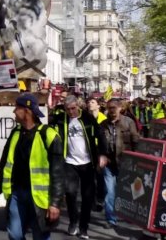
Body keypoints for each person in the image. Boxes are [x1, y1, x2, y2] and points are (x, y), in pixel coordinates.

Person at [0, 93, 64, 240]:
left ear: (27, 111)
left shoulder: (48, 135)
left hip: (39, 198)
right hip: (17, 193)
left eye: (17, 108)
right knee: (15, 234)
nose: (14, 111)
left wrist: (55, 203)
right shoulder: (15, 133)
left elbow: (59, 173)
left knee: (40, 236)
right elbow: (5, 162)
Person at [50, 95, 107, 239]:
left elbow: (100, 135)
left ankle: (84, 227)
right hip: (69, 163)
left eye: (73, 108)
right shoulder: (61, 119)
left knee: (88, 197)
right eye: (68, 109)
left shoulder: (87, 118)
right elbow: (47, 123)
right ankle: (73, 221)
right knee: (70, 193)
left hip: (87, 163)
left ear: (78, 106)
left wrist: (102, 154)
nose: (71, 112)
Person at [100, 99, 140, 236]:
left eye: (113, 108)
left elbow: (136, 142)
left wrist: (136, 161)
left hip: (126, 162)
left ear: (119, 108)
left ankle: (129, 215)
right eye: (109, 108)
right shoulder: (103, 125)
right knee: (110, 191)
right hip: (109, 163)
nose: (111, 110)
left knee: (127, 191)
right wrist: (101, 156)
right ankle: (111, 218)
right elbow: (99, 143)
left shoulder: (128, 122)